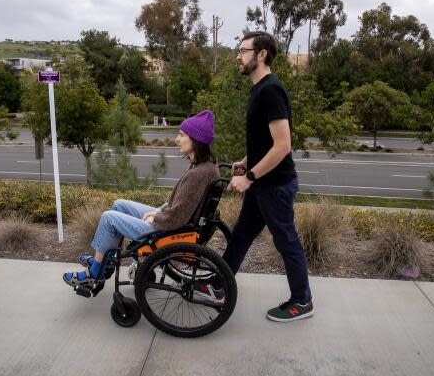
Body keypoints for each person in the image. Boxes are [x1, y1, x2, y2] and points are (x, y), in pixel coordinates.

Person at [202, 30, 313, 322]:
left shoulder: (270, 90)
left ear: (261, 54)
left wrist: (249, 176)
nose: (238, 56)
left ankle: (302, 302)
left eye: (243, 50)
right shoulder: (259, 89)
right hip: (263, 183)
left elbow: (283, 145)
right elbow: (266, 142)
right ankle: (219, 286)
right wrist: (246, 161)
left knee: (286, 240)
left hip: (274, 186)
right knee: (241, 234)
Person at [63, 110, 220, 290]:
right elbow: (180, 204)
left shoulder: (198, 174)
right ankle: (105, 262)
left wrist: (156, 218)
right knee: (119, 204)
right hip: (173, 224)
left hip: (169, 232)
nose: (177, 139)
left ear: (196, 140)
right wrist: (159, 210)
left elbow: (179, 215)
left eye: (182, 135)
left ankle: (94, 274)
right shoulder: (205, 166)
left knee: (108, 218)